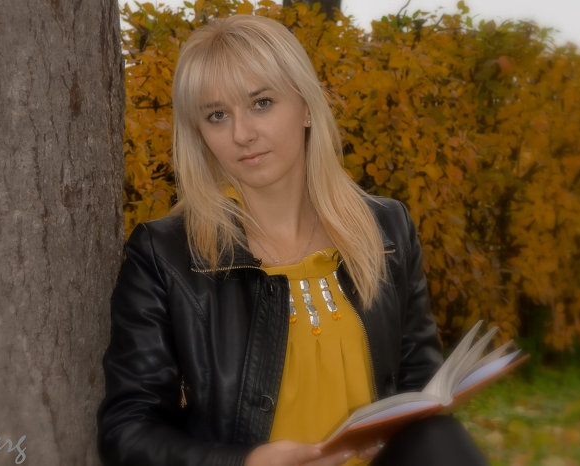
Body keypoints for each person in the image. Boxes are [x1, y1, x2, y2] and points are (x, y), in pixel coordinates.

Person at [97, 14, 487, 466]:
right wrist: (245, 463)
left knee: (442, 440)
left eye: (261, 103)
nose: (242, 134)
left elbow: (418, 377)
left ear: (305, 106)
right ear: (200, 134)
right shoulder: (167, 255)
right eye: (217, 115)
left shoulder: (385, 229)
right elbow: (127, 429)